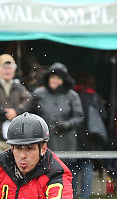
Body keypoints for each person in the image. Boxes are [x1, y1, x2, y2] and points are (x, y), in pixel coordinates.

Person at [31, 62, 83, 191]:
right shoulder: (39, 94)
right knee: (45, 166)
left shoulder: (72, 95)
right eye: (52, 77)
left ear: (63, 80)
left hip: (66, 139)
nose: (55, 80)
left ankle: (68, 193)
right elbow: (30, 114)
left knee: (66, 168)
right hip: (45, 138)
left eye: (58, 78)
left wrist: (66, 125)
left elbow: (79, 117)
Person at [72, 72, 109, 199]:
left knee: (73, 165)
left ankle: (73, 194)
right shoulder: (94, 97)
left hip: (75, 134)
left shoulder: (72, 96)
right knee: (87, 164)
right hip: (90, 135)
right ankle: (85, 195)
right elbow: (103, 116)